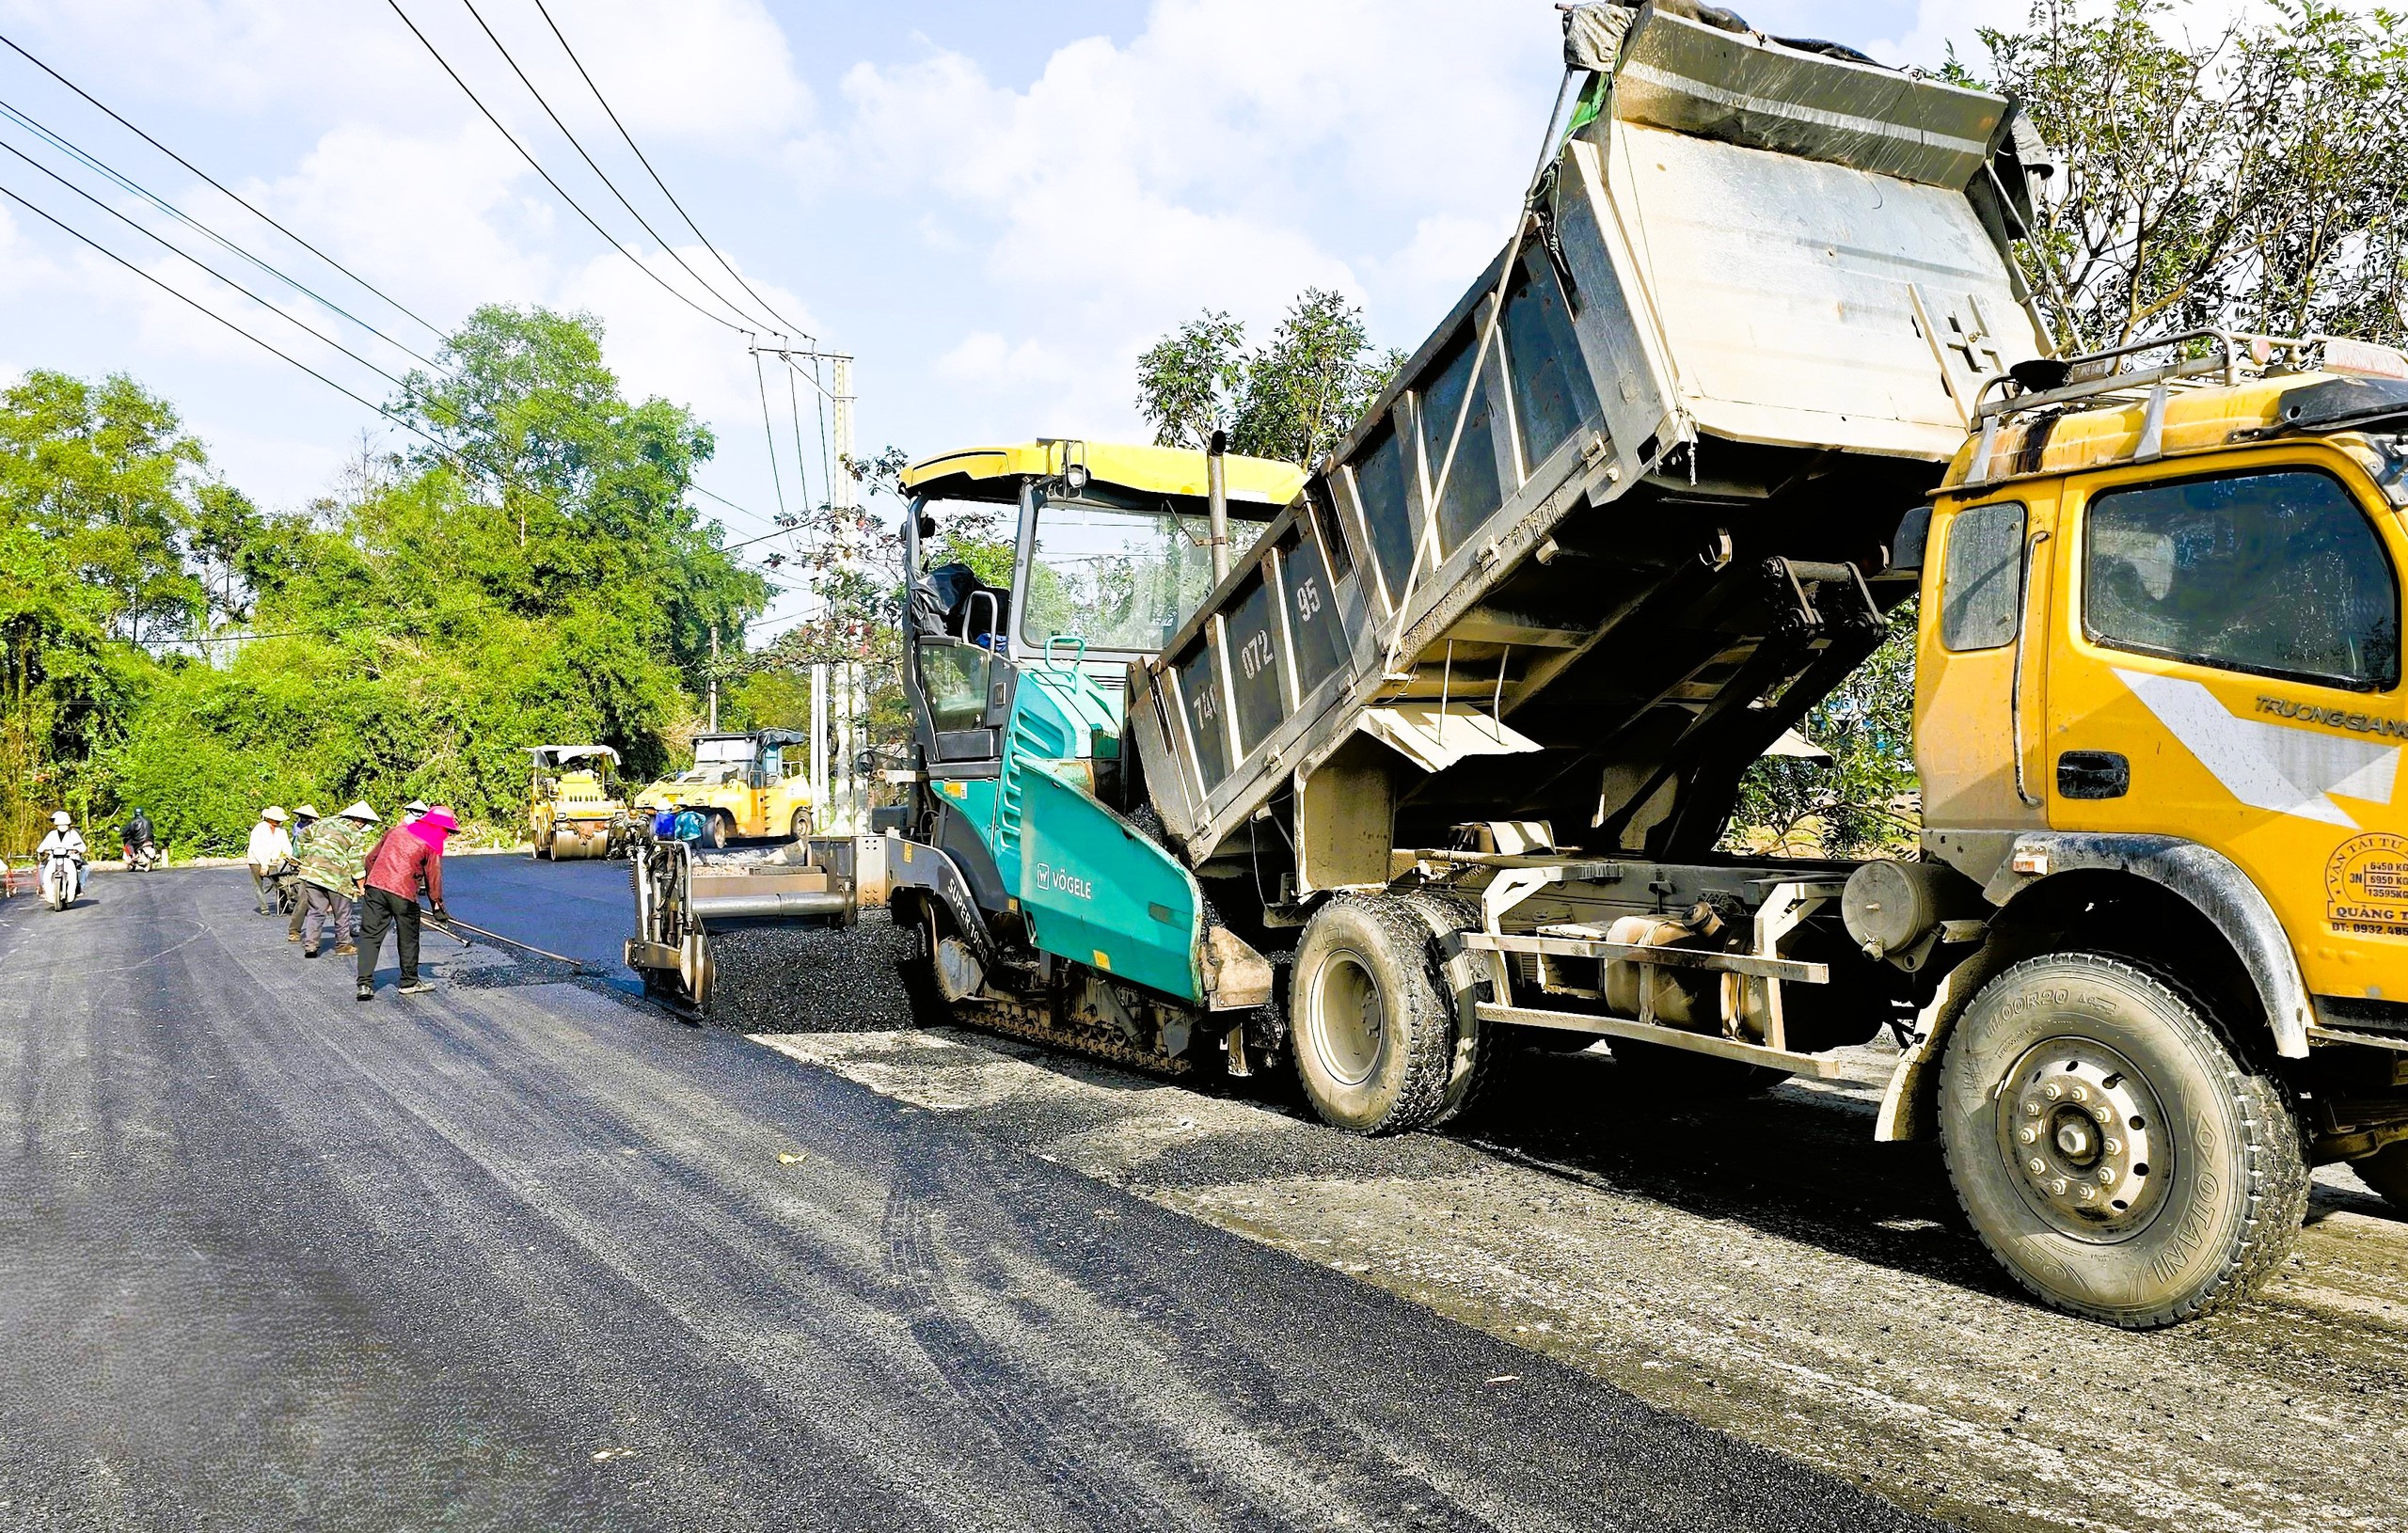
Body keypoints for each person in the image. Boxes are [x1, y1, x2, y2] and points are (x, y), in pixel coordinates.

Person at [356, 804, 454, 1001]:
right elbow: (433, 880)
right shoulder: (432, 842)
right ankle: (409, 982)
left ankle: (364, 984)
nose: (447, 835)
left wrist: (371, 882)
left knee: (370, 936)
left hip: (375, 889)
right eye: (447, 831)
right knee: (408, 938)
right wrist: (439, 909)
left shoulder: (396, 831)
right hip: (403, 893)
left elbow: (370, 859)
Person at [298, 802, 376, 959]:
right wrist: (362, 887)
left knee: (315, 911)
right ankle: (343, 945)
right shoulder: (354, 833)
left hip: (312, 873)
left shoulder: (323, 822)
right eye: (365, 823)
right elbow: (356, 863)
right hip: (337, 878)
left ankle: (311, 946)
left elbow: (301, 836)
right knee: (342, 912)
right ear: (359, 820)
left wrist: (308, 855)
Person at [285, 805, 322, 941]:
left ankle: (346, 932)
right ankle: (294, 931)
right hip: (308, 869)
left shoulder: (321, 831)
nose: (303, 819)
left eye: (306, 818)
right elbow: (296, 851)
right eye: (302, 817)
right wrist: (295, 861)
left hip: (324, 868)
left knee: (338, 902)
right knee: (303, 901)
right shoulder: (298, 829)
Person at [246, 806, 292, 915]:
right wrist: (263, 864)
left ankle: (284, 906)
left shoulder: (281, 831)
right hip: (257, 860)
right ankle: (264, 907)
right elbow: (255, 847)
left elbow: (286, 846)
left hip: (272, 861)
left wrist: (290, 856)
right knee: (258, 885)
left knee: (280, 883)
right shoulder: (259, 828)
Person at [36, 811, 86, 903]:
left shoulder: (73, 834)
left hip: (70, 858)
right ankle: (48, 893)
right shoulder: (52, 834)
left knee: (73, 875)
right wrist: (42, 850)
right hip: (53, 858)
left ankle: (72, 894)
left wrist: (77, 850)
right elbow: (42, 846)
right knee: (45, 873)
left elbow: (82, 847)